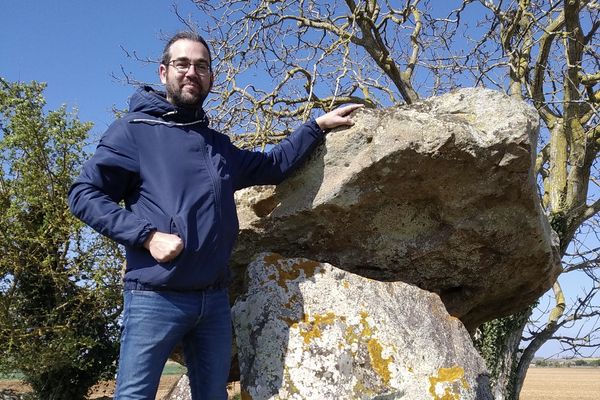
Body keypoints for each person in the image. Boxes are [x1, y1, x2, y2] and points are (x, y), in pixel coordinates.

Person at [68, 31, 361, 399]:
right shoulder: (133, 132)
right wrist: (146, 236)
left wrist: (316, 127)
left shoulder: (217, 146)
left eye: (201, 66)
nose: (192, 72)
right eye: (182, 64)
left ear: (210, 77)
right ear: (163, 72)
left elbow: (273, 165)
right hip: (155, 297)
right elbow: (83, 194)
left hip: (214, 302)